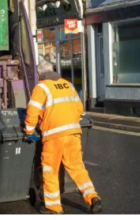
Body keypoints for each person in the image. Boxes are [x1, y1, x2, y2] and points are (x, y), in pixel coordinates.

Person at [25, 61, 102, 215]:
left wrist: (28, 131)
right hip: (73, 133)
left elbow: (32, 111)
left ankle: (53, 207)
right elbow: (80, 110)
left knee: (50, 170)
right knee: (77, 168)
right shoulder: (68, 85)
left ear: (40, 74)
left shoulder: (41, 87)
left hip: (54, 136)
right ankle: (93, 196)